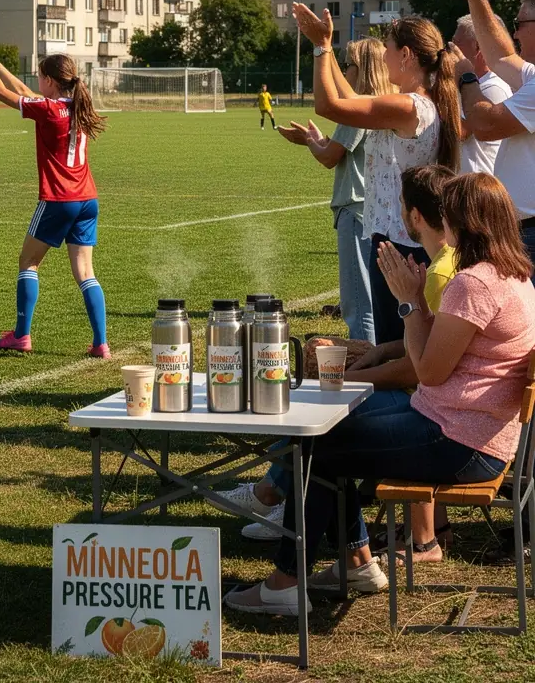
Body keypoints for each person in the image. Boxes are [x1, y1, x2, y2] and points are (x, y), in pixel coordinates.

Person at [224, 171, 535, 616]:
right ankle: (355, 562)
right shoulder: (516, 277)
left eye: (447, 216)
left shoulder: (475, 284)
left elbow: (428, 371)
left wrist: (408, 304)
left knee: (316, 444)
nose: (441, 224)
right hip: (468, 429)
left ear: (465, 223)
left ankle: (286, 582)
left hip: (458, 440)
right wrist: (418, 312)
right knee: (332, 428)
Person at [216, 164, 457, 545]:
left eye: (399, 205)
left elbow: (418, 371)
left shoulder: (443, 274)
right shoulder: (450, 264)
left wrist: (348, 380)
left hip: (440, 420)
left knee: (325, 426)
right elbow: (428, 347)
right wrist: (379, 351)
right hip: (445, 411)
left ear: (413, 215)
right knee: (327, 401)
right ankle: (284, 504)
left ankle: (281, 510)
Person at [292, 3, 461, 345]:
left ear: (407, 55)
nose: (383, 56)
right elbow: (351, 98)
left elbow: (327, 106)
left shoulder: (408, 105)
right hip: (405, 236)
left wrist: (321, 48)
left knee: (394, 342)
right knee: (402, 340)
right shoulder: (424, 102)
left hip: (398, 243)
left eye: (388, 47)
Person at [0, 26, 110, 358]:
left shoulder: (50, 111)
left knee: (28, 262)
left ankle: (21, 335)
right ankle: (100, 343)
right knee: (85, 273)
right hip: (87, 200)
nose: (37, 83)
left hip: (59, 199)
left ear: (51, 80)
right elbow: (26, 90)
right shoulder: (79, 106)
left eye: (41, 77)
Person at [277, 37, 392, 343]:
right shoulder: (386, 104)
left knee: (358, 302)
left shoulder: (357, 106)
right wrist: (320, 139)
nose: (344, 71)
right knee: (378, 299)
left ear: (362, 69)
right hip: (378, 208)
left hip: (354, 208)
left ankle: (364, 371)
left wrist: (310, 144)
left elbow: (331, 157)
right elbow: (347, 149)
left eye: (347, 65)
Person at [447, 0, 535, 270]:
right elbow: (501, 56)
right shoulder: (533, 76)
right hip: (523, 229)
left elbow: (483, 124)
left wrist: (466, 74)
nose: (514, 32)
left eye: (520, 23)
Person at [451, 13, 512, 174]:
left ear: (478, 47)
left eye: (456, 43)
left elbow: (460, 132)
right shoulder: (467, 85)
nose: (450, 48)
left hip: (479, 192)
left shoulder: (493, 87)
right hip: (465, 187)